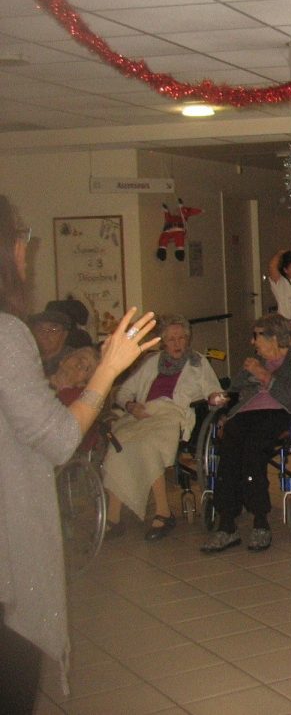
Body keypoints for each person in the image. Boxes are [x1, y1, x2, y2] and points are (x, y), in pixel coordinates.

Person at [0, 195, 158, 713]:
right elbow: (58, 438)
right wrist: (107, 369)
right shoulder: (6, 336)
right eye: (22, 237)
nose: (26, 249)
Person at [103, 315, 222, 541]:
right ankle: (114, 517)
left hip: (172, 416)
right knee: (117, 446)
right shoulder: (151, 362)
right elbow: (123, 392)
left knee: (148, 446)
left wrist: (217, 398)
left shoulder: (197, 362)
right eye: (171, 339)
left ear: (188, 340)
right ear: (163, 343)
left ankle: (164, 512)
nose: (177, 343)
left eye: (181, 338)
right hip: (143, 415)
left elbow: (212, 391)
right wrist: (131, 405)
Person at [201, 313, 291, 554]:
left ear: (274, 338)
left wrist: (264, 376)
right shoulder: (252, 362)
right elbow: (234, 392)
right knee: (228, 451)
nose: (253, 342)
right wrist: (222, 401)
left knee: (253, 451)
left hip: (277, 415)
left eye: (257, 337)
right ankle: (226, 524)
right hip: (244, 414)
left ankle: (260, 521)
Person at [28, 308, 73, 376]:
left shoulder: (72, 361)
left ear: (64, 334)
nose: (45, 334)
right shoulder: (26, 357)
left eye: (53, 329)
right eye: (40, 329)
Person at [266, 249, 291, 324]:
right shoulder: (281, 282)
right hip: (285, 322)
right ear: (285, 270)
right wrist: (279, 254)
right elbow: (272, 266)